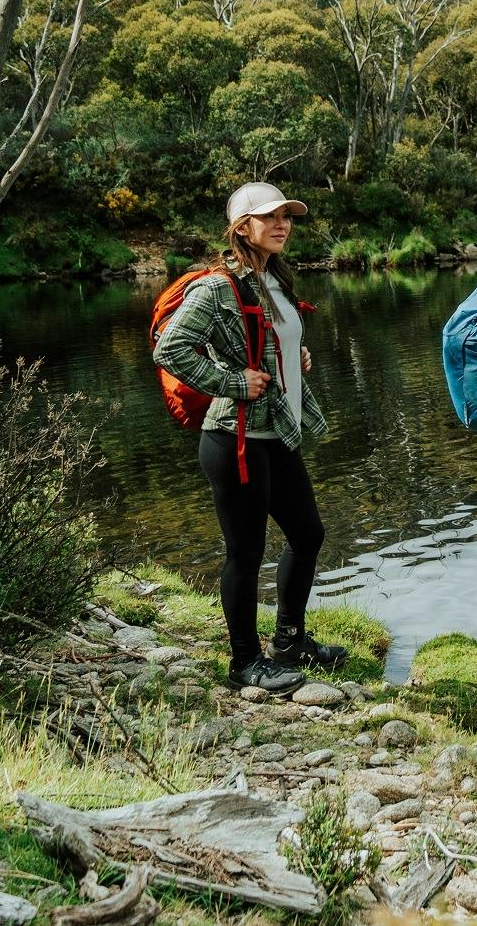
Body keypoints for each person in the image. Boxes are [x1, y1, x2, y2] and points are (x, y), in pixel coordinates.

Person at [155, 181, 345, 693]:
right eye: (270, 217)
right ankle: (244, 663)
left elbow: (272, 342)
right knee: (246, 551)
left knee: (307, 534)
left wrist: (294, 359)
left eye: (287, 216)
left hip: (274, 432)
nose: (282, 224)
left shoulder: (276, 278)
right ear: (242, 227)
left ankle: (290, 641)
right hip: (233, 435)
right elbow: (171, 349)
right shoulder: (218, 286)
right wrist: (233, 382)